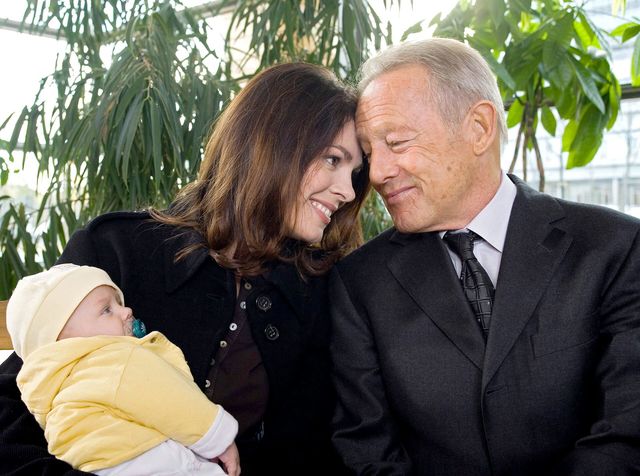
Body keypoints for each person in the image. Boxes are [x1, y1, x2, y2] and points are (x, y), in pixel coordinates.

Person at [0, 62, 369, 476]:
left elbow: (321, 449)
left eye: (354, 172)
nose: (347, 191)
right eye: (332, 159)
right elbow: (13, 407)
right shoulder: (116, 249)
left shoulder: (321, 291)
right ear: (271, 145)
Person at [330, 38, 640, 475]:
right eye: (369, 154)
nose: (378, 173)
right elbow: (367, 450)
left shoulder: (615, 247)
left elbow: (628, 430)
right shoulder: (360, 283)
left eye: (396, 143)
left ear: (479, 127)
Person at [7, 263, 239, 476]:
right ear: (61, 339)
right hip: (147, 459)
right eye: (107, 309)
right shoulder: (114, 360)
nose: (126, 310)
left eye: (119, 302)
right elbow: (168, 398)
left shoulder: (49, 386)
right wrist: (218, 438)